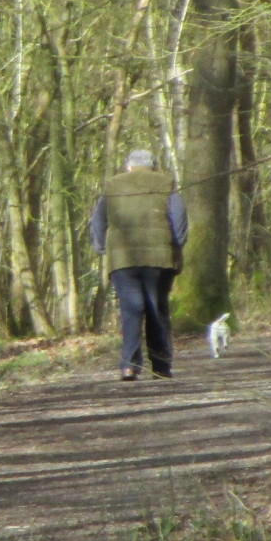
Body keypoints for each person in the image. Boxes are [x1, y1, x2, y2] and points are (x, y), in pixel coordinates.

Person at [90, 150, 189, 381]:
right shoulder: (167, 183)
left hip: (123, 259)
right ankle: (161, 366)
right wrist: (176, 243)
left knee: (131, 310)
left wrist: (101, 246)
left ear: (129, 167)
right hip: (160, 257)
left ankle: (129, 366)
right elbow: (179, 218)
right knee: (157, 309)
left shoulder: (112, 185)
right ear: (153, 166)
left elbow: (98, 220)